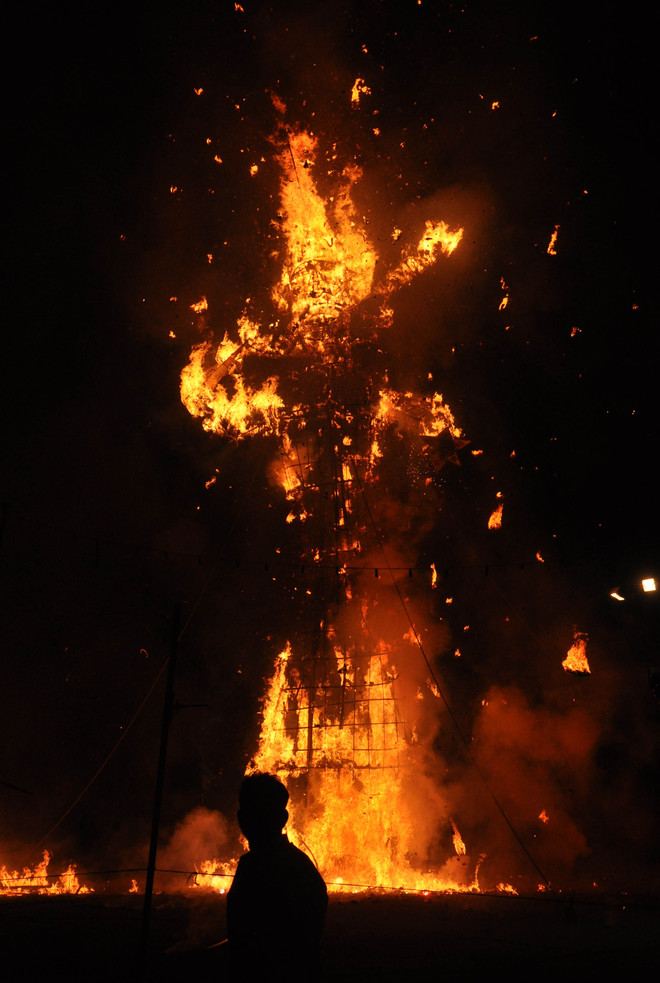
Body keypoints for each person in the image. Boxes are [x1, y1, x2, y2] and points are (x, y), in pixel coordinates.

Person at [225, 772, 328, 981]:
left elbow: (241, 937)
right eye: (253, 811)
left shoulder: (255, 867)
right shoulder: (300, 866)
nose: (254, 820)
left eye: (262, 813)